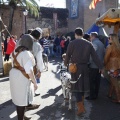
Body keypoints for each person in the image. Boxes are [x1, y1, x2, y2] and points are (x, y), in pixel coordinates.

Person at [64, 27, 103, 116]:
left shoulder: (72, 43)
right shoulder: (89, 43)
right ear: (82, 34)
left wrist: (65, 64)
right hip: (85, 67)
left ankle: (81, 108)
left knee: (77, 88)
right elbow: (95, 57)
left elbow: (67, 56)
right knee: (82, 87)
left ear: (75, 34)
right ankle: (81, 105)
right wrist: (100, 66)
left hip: (75, 68)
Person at [9, 34, 38, 120]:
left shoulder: (15, 51)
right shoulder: (26, 53)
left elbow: (12, 64)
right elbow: (29, 70)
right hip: (21, 77)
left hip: (14, 75)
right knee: (22, 100)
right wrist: (35, 82)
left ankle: (23, 116)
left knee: (20, 99)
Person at [86, 32, 105, 100]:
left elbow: (92, 55)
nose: (90, 38)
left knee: (91, 81)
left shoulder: (94, 43)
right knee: (97, 81)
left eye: (90, 37)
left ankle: (91, 96)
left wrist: (88, 62)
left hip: (93, 66)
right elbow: (103, 54)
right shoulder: (101, 43)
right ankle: (95, 95)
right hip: (99, 66)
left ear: (93, 36)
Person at [104, 34, 120, 103]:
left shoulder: (110, 47)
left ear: (113, 39)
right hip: (118, 66)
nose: (108, 39)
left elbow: (106, 58)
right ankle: (110, 94)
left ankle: (118, 99)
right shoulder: (118, 46)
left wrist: (104, 64)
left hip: (112, 66)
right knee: (113, 80)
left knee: (114, 82)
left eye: (109, 38)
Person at [30, 27, 44, 97]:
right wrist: (40, 70)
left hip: (20, 65)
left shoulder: (22, 41)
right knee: (33, 81)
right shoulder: (37, 45)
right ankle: (32, 94)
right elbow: (39, 60)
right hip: (32, 66)